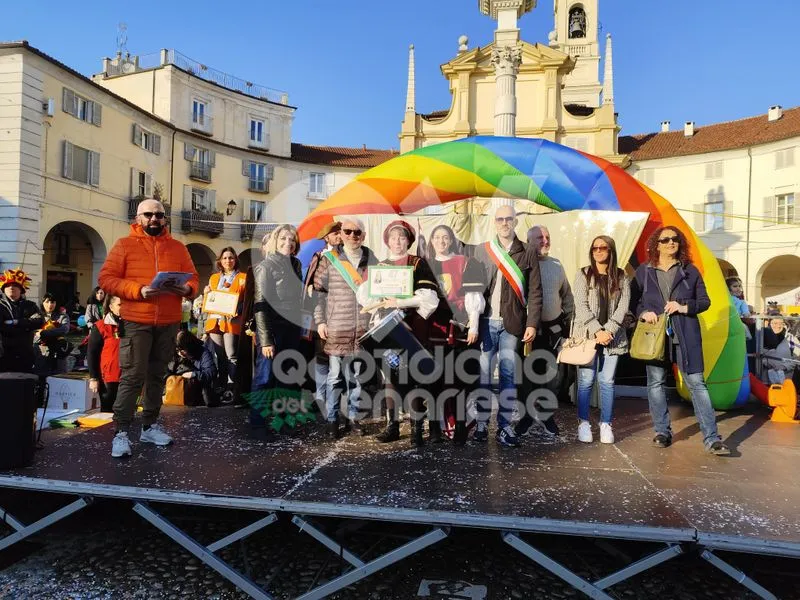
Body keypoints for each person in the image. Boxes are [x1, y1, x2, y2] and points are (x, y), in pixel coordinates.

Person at [98, 198, 199, 458]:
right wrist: (139, 290)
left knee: (157, 375)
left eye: (159, 215)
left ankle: (150, 426)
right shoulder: (124, 245)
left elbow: (193, 277)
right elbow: (106, 279)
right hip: (136, 320)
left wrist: (187, 289)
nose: (154, 219)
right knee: (132, 376)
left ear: (164, 218)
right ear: (138, 218)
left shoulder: (178, 247)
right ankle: (121, 432)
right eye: (149, 215)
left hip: (168, 321)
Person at [632, 226, 730, 456]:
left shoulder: (690, 270)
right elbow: (634, 302)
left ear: (680, 243)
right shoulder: (644, 272)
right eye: (664, 240)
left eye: (674, 239)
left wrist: (684, 307)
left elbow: (704, 302)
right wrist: (643, 312)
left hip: (686, 334)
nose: (670, 243)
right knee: (655, 384)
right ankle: (662, 432)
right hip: (654, 336)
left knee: (697, 384)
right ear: (656, 244)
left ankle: (712, 438)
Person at [473, 205, 543, 447]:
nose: (504, 223)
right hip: (486, 322)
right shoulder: (483, 251)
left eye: (509, 219)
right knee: (482, 376)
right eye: (500, 219)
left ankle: (504, 427)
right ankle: (481, 423)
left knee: (508, 376)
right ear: (494, 222)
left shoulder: (527, 251)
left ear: (515, 221)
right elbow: (472, 289)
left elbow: (535, 291)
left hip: (512, 324)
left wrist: (532, 323)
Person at [367, 220, 440, 446]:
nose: (398, 242)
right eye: (393, 238)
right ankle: (392, 426)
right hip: (388, 329)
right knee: (390, 375)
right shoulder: (381, 266)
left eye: (402, 237)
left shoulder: (418, 263)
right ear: (387, 241)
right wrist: (378, 299)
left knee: (415, 376)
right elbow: (369, 296)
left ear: (408, 240)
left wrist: (401, 301)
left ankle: (418, 429)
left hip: (412, 328)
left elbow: (430, 298)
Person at [313, 218, 376, 439]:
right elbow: (318, 294)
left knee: (357, 378)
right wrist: (320, 321)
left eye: (357, 232)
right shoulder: (329, 259)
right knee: (334, 377)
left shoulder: (371, 259)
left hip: (361, 328)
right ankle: (332, 420)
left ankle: (353, 418)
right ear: (341, 233)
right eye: (348, 231)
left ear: (363, 235)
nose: (352, 236)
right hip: (336, 327)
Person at [425, 224, 485, 445]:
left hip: (457, 329)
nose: (441, 241)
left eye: (445, 237)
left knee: (458, 380)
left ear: (451, 240)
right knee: (433, 380)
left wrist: (474, 325)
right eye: (437, 237)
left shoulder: (464, 262)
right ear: (431, 241)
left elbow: (473, 296)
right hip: (432, 329)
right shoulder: (425, 265)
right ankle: (434, 429)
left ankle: (459, 426)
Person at [515, 225, 574, 438]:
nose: (545, 241)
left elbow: (566, 295)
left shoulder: (557, 265)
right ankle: (526, 417)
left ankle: (547, 415)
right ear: (529, 240)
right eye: (539, 237)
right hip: (529, 331)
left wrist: (568, 322)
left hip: (553, 330)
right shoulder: (521, 264)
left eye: (547, 237)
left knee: (554, 377)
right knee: (525, 377)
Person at [570, 236, 630, 444]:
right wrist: (597, 331)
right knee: (586, 382)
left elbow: (623, 307)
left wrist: (609, 330)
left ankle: (606, 424)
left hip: (613, 338)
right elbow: (580, 304)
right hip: (587, 336)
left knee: (607, 382)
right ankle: (584, 423)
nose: (598, 251)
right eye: (594, 248)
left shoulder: (622, 276)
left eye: (603, 248)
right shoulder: (583, 274)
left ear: (611, 250)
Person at [252, 225, 304, 435]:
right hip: (273, 330)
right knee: (264, 379)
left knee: (288, 377)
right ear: (275, 240)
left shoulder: (297, 264)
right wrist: (265, 340)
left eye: (292, 240)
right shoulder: (265, 266)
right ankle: (257, 423)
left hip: (292, 328)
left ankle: (285, 422)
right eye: (283, 239)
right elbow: (260, 304)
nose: (287, 243)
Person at [304, 222, 342, 426]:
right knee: (322, 358)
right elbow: (312, 285)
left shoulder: (347, 256)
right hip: (323, 313)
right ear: (327, 237)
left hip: (343, 314)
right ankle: (320, 398)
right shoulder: (320, 257)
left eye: (340, 233)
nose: (339, 236)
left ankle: (334, 403)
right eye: (335, 233)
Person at [204, 247, 247, 394]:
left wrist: (238, 310)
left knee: (231, 356)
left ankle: (236, 388)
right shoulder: (214, 278)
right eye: (225, 258)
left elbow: (247, 301)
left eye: (231, 258)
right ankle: (221, 387)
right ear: (220, 261)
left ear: (235, 260)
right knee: (220, 357)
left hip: (231, 322)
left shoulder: (243, 278)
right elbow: (210, 300)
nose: (228, 261)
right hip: (214, 321)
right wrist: (206, 294)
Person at [0, 269, 43, 373]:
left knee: (24, 383)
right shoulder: (0, 306)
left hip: (25, 353)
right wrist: (25, 327)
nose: (11, 287)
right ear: (3, 289)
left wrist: (16, 322)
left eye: (15, 285)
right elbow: (1, 327)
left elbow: (39, 321)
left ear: (21, 289)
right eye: (8, 285)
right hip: (4, 354)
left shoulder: (30, 305)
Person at [87, 294, 123, 412]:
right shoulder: (100, 326)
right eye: (119, 305)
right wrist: (93, 378)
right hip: (108, 377)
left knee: (127, 412)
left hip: (128, 377)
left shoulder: (131, 326)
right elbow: (92, 353)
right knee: (108, 412)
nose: (123, 308)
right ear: (111, 307)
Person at [172, 330, 219, 407]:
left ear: (189, 346)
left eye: (182, 350)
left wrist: (194, 374)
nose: (180, 353)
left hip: (196, 392)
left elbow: (212, 372)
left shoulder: (203, 352)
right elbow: (166, 372)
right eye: (178, 350)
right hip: (177, 392)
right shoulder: (176, 355)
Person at [34, 293, 71, 377]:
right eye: (47, 302)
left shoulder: (62, 316)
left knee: (59, 377)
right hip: (41, 352)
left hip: (58, 351)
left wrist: (43, 333)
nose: (50, 305)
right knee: (41, 377)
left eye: (52, 302)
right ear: (42, 303)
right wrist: (54, 332)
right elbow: (33, 333)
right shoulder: (37, 316)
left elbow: (64, 329)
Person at [760, 316, 799, 385]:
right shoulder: (760, 338)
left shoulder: (792, 339)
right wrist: (766, 363)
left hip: (784, 382)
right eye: (774, 323)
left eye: (781, 323)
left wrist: (783, 367)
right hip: (764, 381)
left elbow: (796, 360)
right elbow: (756, 355)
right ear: (768, 323)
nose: (778, 325)